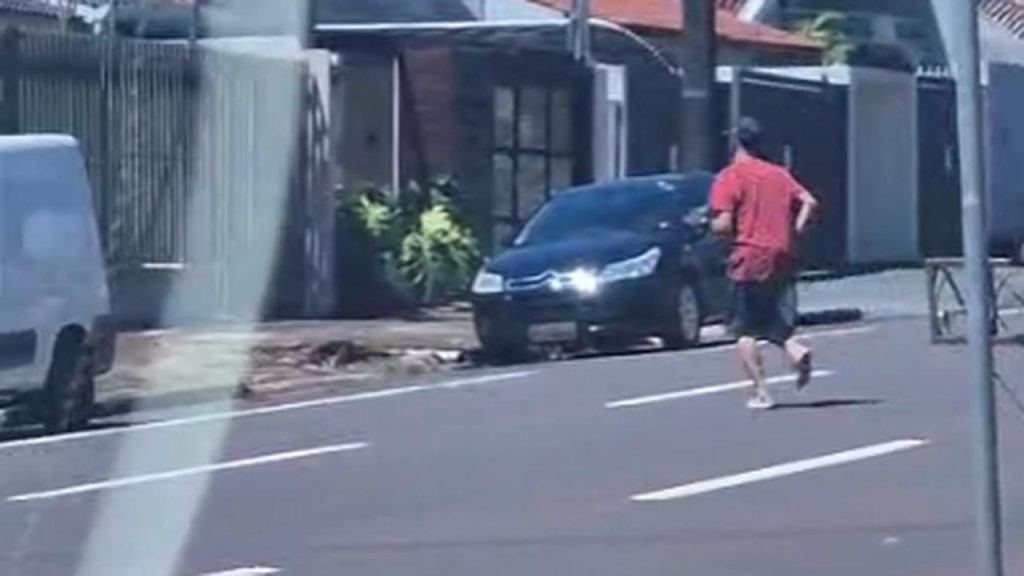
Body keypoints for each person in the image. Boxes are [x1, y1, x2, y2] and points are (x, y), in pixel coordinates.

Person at [710, 117, 818, 410]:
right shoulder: (779, 174)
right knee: (770, 317)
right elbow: (809, 200)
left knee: (744, 330)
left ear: (736, 142)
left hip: (749, 256)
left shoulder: (730, 177)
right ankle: (796, 350)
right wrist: (796, 229)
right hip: (782, 255)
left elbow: (723, 225)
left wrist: (708, 224)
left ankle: (761, 392)